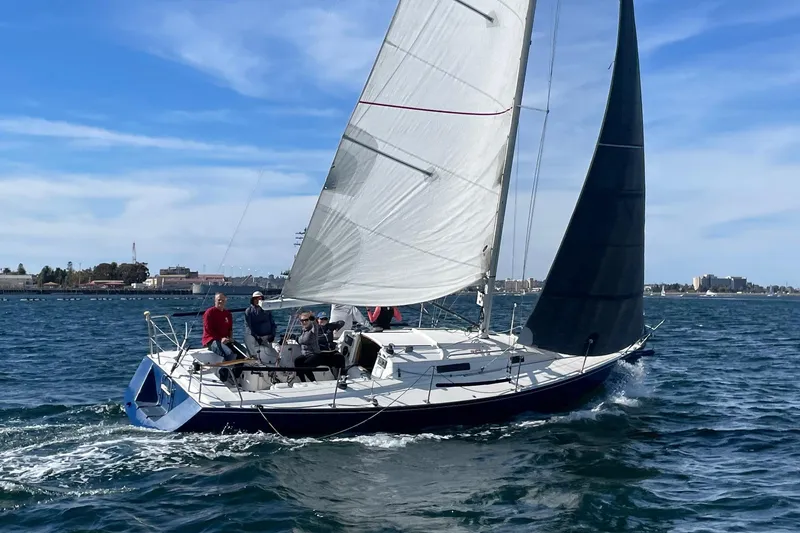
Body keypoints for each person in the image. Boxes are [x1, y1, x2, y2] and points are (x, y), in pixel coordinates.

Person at [201, 292, 245, 383]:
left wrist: (230, 338)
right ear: (215, 300)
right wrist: (220, 339)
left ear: (225, 301)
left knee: (243, 352)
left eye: (222, 300)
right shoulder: (209, 312)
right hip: (211, 340)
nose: (221, 301)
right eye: (218, 300)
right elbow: (208, 330)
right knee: (228, 353)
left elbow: (230, 329)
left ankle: (234, 376)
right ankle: (223, 375)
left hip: (226, 339)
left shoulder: (228, 314)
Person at [244, 291, 279, 365]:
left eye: (260, 299)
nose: (258, 300)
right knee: (247, 337)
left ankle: (277, 365)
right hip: (257, 337)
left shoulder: (267, 310)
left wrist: (272, 335)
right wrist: (257, 337)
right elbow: (248, 327)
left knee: (276, 350)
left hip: (268, 336)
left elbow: (273, 324)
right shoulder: (248, 311)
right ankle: (254, 357)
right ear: (252, 300)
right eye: (256, 299)